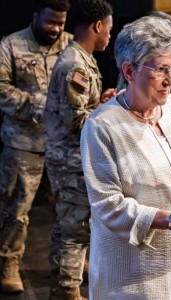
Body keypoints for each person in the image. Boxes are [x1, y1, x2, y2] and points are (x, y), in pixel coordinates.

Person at [80, 15, 171, 300]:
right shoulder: (102, 125)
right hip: (130, 275)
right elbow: (108, 205)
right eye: (160, 70)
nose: (170, 80)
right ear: (130, 71)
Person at [43, 0, 114, 298]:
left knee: (66, 222)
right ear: (97, 26)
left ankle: (60, 281)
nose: (110, 36)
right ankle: (68, 290)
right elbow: (76, 120)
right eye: (109, 29)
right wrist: (111, 111)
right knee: (77, 227)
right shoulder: (75, 64)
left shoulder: (82, 58)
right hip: (70, 158)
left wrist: (102, 102)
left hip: (69, 155)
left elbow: (82, 108)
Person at [0, 0, 72, 293]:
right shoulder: (11, 45)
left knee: (68, 208)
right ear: (35, 17)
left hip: (63, 144)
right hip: (23, 143)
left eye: (60, 23)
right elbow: (1, 88)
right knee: (16, 209)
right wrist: (38, 106)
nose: (55, 29)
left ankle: (67, 263)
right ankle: (8, 263)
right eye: (50, 22)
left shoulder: (72, 45)